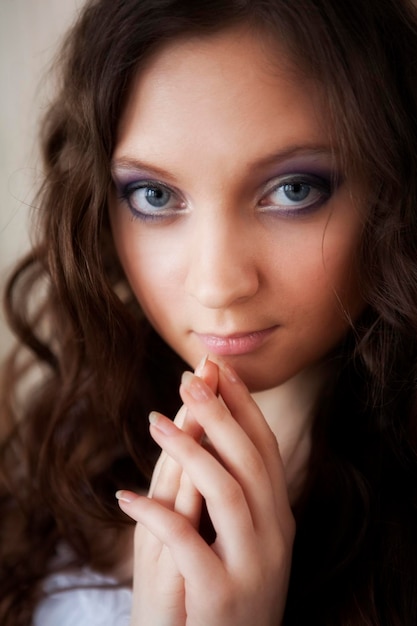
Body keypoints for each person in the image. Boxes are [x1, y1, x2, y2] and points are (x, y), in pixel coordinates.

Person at [1, 0, 417, 623]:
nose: (219, 285)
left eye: (294, 190)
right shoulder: (62, 444)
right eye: (155, 195)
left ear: (393, 189)